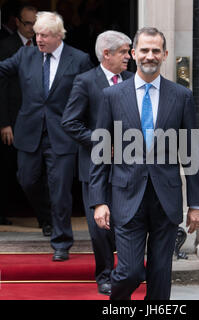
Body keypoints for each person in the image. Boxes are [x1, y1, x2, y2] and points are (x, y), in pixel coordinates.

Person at [0, 11, 93, 262]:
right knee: (27, 180)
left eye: (44, 35)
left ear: (58, 36)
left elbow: (90, 94)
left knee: (60, 189)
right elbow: (1, 69)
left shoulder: (79, 59)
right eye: (36, 33)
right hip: (30, 131)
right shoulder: (26, 54)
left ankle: (62, 242)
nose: (38, 39)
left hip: (62, 135)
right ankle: (48, 218)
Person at [89, 27, 199, 300]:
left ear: (164, 55)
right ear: (133, 53)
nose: (149, 56)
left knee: (160, 274)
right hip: (126, 196)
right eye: (144, 50)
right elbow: (101, 152)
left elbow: (191, 152)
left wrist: (196, 204)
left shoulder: (181, 96)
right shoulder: (113, 96)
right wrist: (99, 200)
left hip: (166, 198)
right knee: (128, 271)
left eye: (155, 51)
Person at [61, 30, 133, 295]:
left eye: (128, 51)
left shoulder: (133, 79)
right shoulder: (85, 81)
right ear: (107, 53)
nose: (129, 56)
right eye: (124, 52)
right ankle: (104, 274)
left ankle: (125, 270)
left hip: (129, 164)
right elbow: (70, 122)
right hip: (94, 166)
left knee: (127, 220)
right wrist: (101, 142)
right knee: (100, 225)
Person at [0, 5, 46, 230]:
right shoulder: (7, 46)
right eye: (28, 23)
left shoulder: (43, 47)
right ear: (17, 23)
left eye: (35, 24)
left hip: (36, 121)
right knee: (5, 168)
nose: (32, 28)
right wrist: (4, 123)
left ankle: (43, 216)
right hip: (12, 121)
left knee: (37, 171)